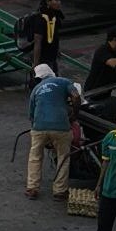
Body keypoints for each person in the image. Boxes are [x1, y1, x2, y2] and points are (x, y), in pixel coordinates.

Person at [26, 63, 80, 200]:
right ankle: (60, 191)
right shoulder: (63, 81)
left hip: (39, 127)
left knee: (35, 157)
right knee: (63, 156)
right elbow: (76, 96)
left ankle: (32, 188)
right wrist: (74, 115)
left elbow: (31, 114)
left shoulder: (36, 89)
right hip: (61, 126)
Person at [32, 0, 64, 75]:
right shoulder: (40, 18)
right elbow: (37, 42)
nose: (59, 3)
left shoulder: (55, 15)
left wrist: (58, 49)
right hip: (44, 59)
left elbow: (56, 35)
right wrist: (36, 64)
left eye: (60, 0)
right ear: (48, 1)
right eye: (56, 0)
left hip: (52, 56)